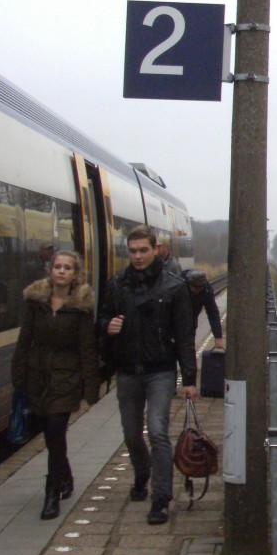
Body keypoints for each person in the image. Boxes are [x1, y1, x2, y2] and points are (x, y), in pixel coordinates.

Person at [98, 225, 197, 525]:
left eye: (143, 250)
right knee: (131, 435)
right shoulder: (117, 285)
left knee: (157, 430)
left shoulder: (173, 286)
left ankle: (161, 498)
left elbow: (184, 336)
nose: (138, 256)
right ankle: (142, 473)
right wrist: (107, 326)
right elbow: (103, 316)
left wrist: (190, 379)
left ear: (156, 250)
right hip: (127, 372)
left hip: (160, 372)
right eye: (133, 251)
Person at [11, 250, 100, 520]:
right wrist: (19, 378)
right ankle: (67, 474)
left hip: (66, 378)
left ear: (75, 274)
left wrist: (91, 386)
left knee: (55, 429)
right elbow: (24, 340)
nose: (61, 271)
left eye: (67, 268)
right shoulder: (36, 302)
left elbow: (87, 347)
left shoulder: (81, 306)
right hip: (38, 377)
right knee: (52, 437)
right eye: (57, 267)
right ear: (51, 270)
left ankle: (52, 494)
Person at [184, 269, 225, 349]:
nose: (198, 290)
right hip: (174, 322)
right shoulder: (179, 287)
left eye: (200, 288)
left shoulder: (207, 291)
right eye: (195, 288)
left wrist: (218, 336)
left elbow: (213, 313)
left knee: (188, 348)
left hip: (191, 321)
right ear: (189, 284)